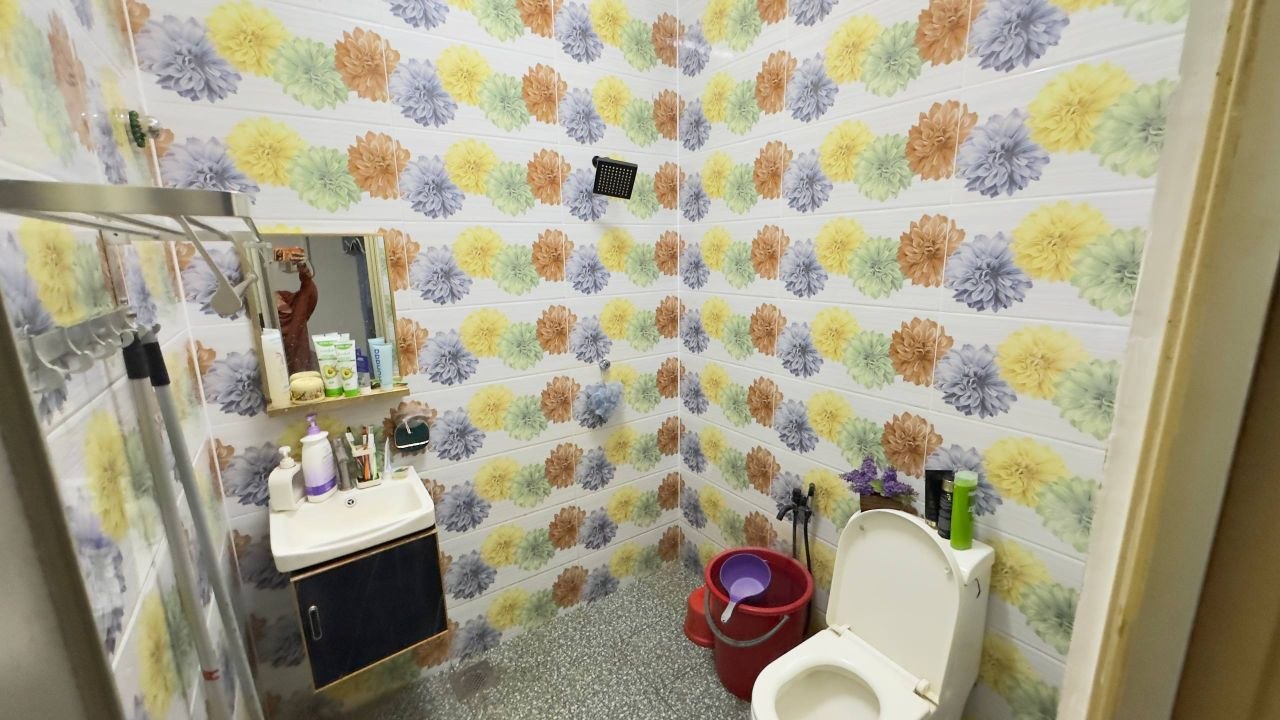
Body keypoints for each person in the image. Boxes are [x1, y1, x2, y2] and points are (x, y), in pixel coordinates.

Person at [275, 247, 318, 375]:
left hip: (303, 372)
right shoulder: (261, 314)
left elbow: (309, 290)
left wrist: (302, 266)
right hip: (277, 372)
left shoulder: (291, 302)